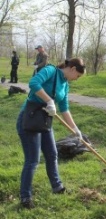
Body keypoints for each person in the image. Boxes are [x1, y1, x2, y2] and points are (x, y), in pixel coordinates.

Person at [16, 58, 86, 209]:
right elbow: (33, 84)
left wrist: (75, 129)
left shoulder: (65, 84)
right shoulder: (50, 71)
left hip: (44, 121)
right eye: (78, 76)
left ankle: (57, 187)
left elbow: (65, 108)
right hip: (29, 119)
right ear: (73, 69)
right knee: (33, 160)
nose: (76, 79)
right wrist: (49, 101)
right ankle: (25, 197)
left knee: (52, 154)